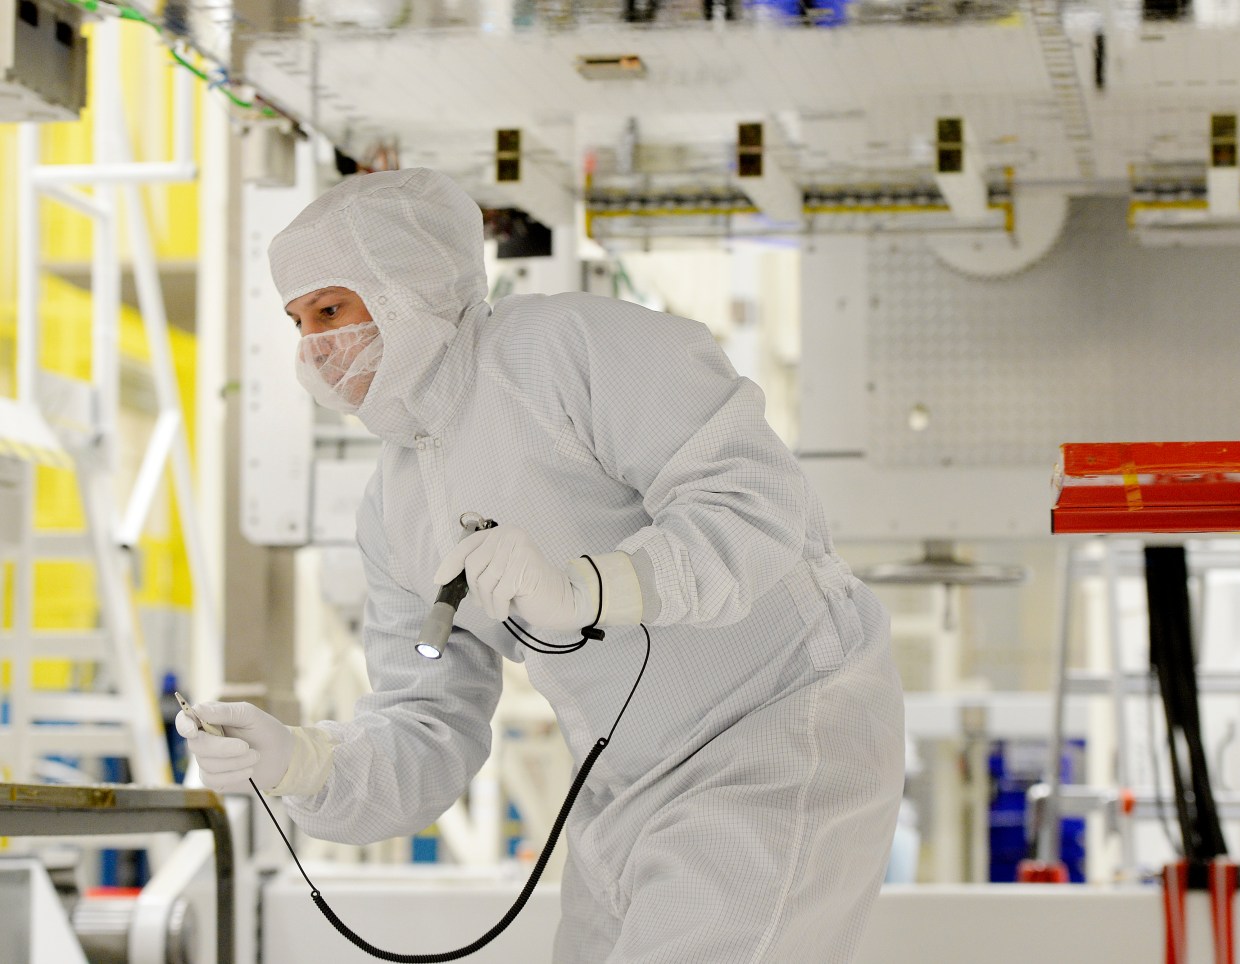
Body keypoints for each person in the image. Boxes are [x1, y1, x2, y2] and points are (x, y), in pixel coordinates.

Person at [175, 167, 904, 962]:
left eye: (330, 309)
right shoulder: (395, 508)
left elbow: (756, 505)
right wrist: (303, 762)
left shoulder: (569, 349)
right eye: (297, 321)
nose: (316, 346)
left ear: (404, 286)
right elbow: (429, 724)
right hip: (623, 789)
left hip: (776, 731)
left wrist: (592, 588)